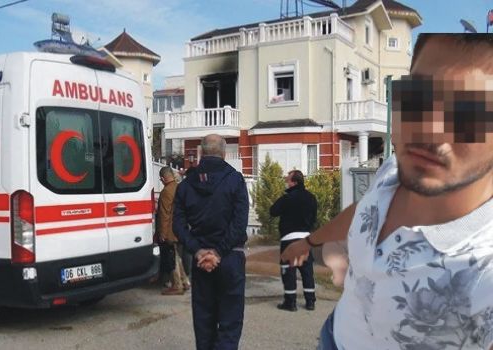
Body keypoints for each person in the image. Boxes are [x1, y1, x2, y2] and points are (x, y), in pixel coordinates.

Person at [282, 33, 493, 349]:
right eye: (420, 97)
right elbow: (365, 209)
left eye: (468, 112)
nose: (429, 130)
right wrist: (309, 242)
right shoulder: (393, 170)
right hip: (332, 335)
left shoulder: (482, 265)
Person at [173, 134, 249, 350]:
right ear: (224, 153)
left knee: (203, 322)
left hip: (201, 260)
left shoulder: (186, 184)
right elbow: (239, 223)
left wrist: (198, 251)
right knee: (229, 323)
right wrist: (218, 252)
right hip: (230, 258)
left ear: (201, 153)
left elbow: (178, 225)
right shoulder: (235, 180)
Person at [270, 170, 317, 311]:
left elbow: (273, 211)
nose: (286, 183)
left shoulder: (287, 198)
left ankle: (290, 303)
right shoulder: (311, 198)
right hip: (305, 239)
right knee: (307, 270)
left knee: (289, 271)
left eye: (288, 180)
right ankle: (310, 302)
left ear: (294, 182)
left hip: (289, 238)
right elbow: (314, 218)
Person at [157, 166, 191, 295]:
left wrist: (162, 233)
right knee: (177, 256)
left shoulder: (166, 191)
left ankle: (177, 285)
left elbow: (164, 215)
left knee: (172, 257)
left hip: (171, 230)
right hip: (182, 228)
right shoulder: (180, 188)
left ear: (163, 178)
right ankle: (185, 281)